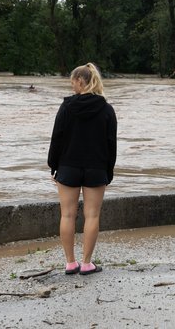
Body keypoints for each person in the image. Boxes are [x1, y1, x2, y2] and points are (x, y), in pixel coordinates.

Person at [48, 63, 117, 275]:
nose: (71, 87)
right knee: (92, 216)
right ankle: (87, 263)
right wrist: (109, 171)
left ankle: (70, 262)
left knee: (67, 215)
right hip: (96, 168)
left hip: (68, 166)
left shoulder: (67, 107)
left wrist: (53, 165)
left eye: (72, 82)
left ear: (80, 81)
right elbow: (111, 143)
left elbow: (57, 138)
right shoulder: (106, 109)